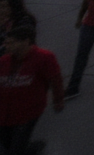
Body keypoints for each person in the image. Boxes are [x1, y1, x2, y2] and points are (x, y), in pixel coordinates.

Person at [0, 24, 64, 155]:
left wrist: (58, 99)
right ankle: (32, 149)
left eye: (11, 43)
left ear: (26, 41)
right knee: (7, 144)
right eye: (6, 43)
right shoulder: (4, 61)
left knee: (15, 150)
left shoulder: (44, 57)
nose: (7, 46)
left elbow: (55, 80)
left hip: (28, 112)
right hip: (5, 113)